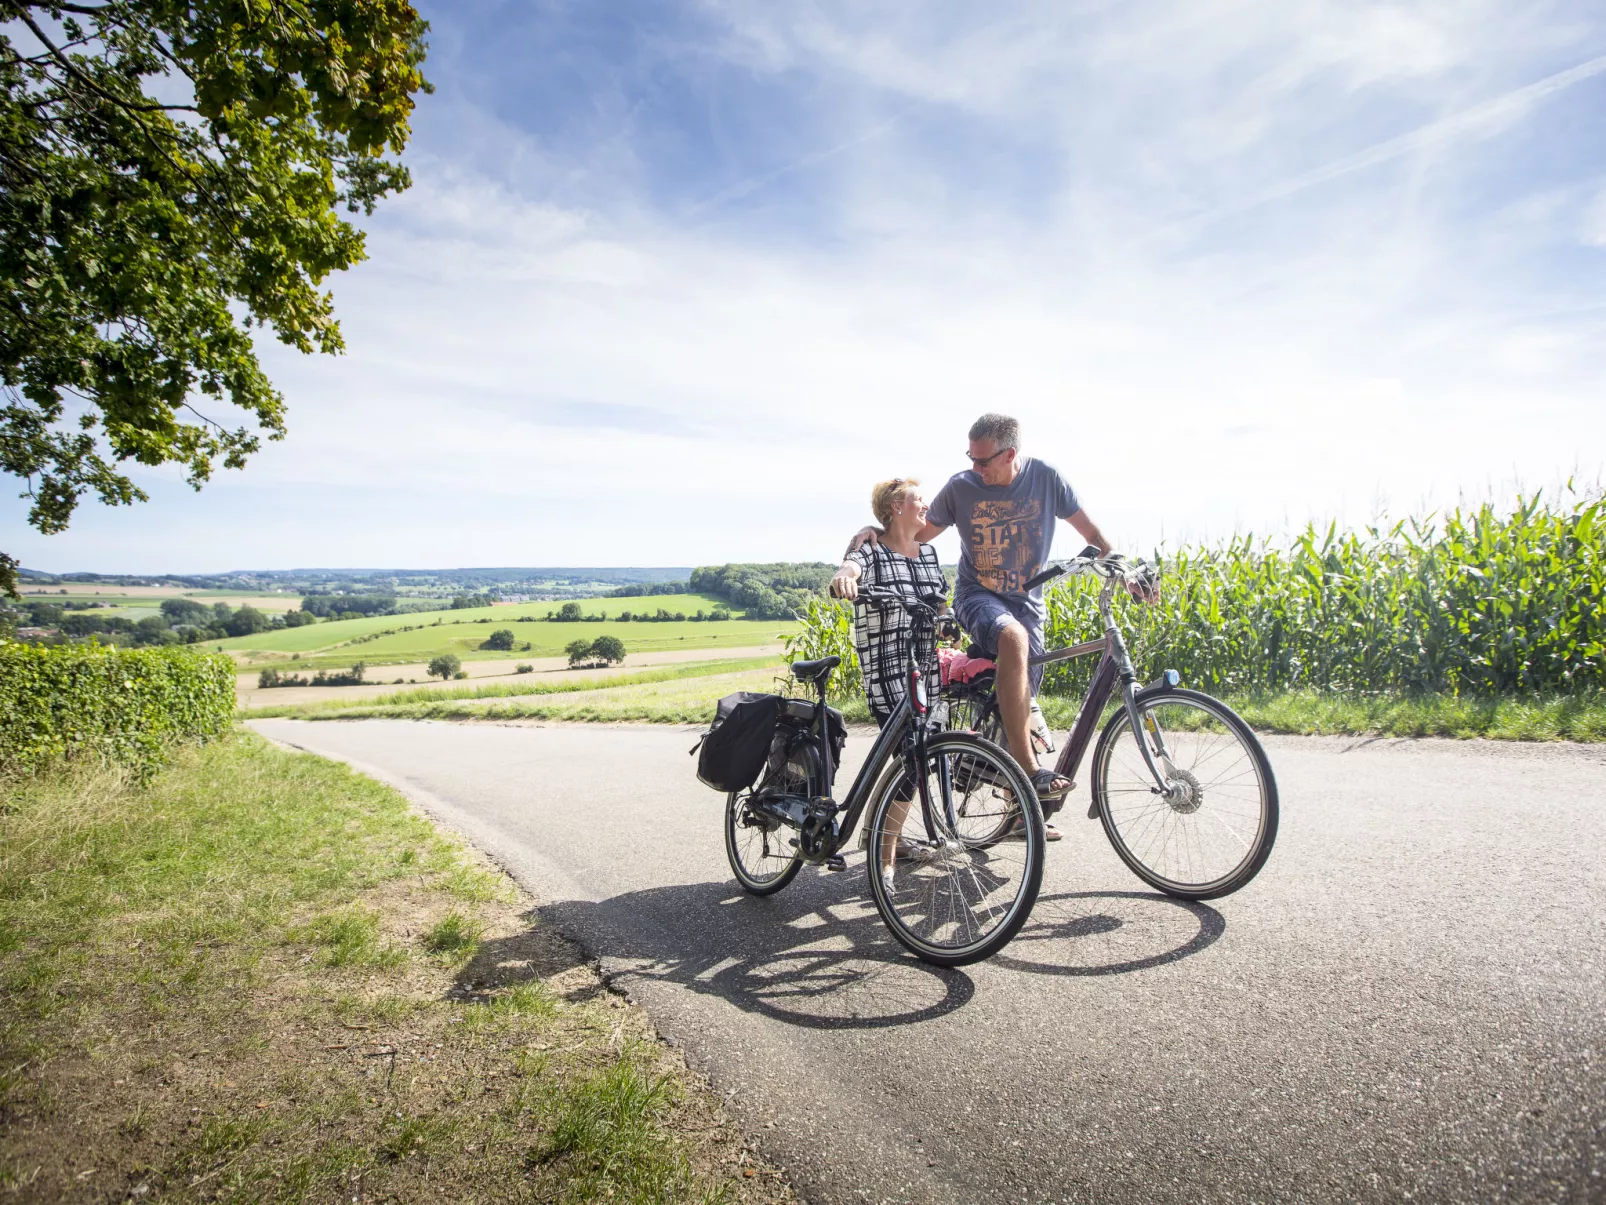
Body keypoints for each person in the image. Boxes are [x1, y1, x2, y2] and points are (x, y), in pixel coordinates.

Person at [835, 413, 1114, 838]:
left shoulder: (1046, 479)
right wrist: (871, 530)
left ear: (1011, 454)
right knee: (1011, 638)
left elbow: (1093, 535)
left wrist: (1123, 569)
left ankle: (1012, 807)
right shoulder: (962, 487)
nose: (976, 468)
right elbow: (912, 535)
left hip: (1028, 604)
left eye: (984, 461)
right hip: (976, 596)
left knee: (1017, 703)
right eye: (971, 458)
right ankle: (1028, 770)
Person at [829, 476, 947, 890]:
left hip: (926, 668)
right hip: (888, 668)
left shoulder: (929, 553)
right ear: (896, 507)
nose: (926, 505)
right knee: (912, 759)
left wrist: (947, 621)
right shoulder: (872, 549)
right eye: (919, 499)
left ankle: (880, 832)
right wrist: (846, 572)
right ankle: (885, 858)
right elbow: (853, 564)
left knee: (923, 757)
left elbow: (940, 601)